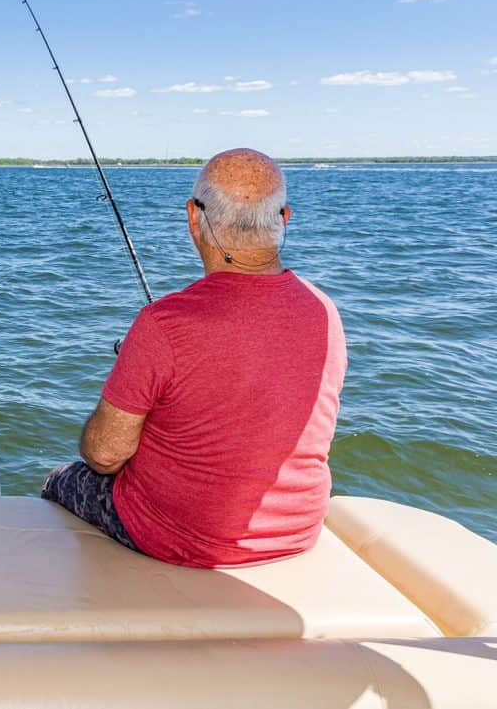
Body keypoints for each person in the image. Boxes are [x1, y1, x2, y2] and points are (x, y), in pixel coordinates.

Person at [42, 148, 346, 568]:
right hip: (298, 532)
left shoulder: (164, 324)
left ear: (192, 217)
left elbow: (104, 455)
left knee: (61, 479)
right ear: (284, 219)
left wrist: (137, 369)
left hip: (186, 540)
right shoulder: (324, 311)